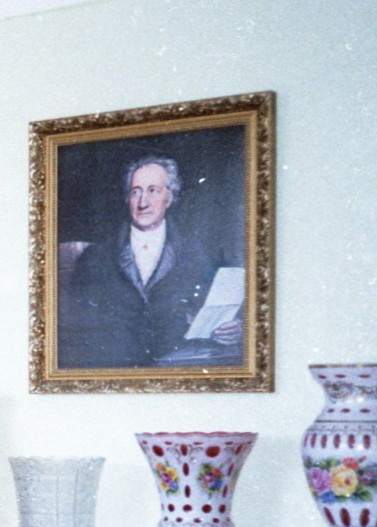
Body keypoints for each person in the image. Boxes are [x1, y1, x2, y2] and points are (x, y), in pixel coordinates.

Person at [57, 155, 242, 369]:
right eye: (136, 192)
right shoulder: (94, 259)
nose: (143, 202)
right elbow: (79, 332)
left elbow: (221, 310)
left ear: (169, 198)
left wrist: (234, 328)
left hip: (180, 372)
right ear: (128, 199)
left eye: (153, 191)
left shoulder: (199, 255)